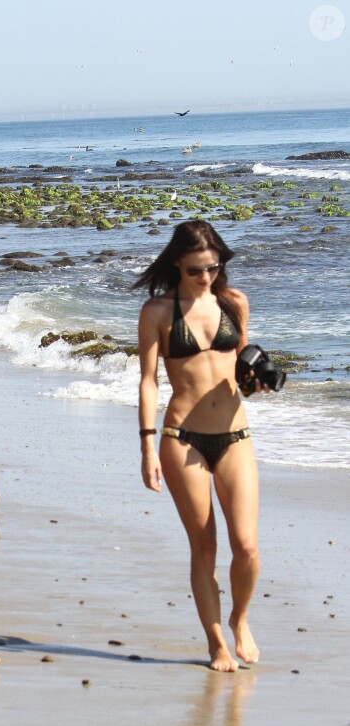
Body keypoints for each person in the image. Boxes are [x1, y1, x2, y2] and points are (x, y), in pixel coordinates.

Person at [135, 221, 261, 672]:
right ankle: (216, 645)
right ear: (177, 265)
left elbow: (243, 369)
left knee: (245, 546)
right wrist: (148, 447)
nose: (205, 277)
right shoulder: (158, 312)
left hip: (235, 434)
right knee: (203, 547)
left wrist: (258, 380)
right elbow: (148, 382)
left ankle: (239, 619)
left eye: (212, 267)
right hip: (180, 438)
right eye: (195, 270)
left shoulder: (234, 303)